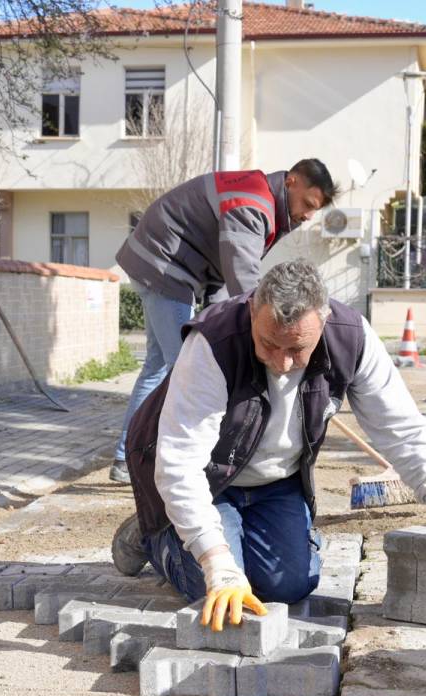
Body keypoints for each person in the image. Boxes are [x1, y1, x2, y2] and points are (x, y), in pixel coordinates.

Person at [114, 259, 426, 631]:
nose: (282, 363)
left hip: (275, 481)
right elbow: (180, 464)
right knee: (214, 586)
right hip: (206, 480)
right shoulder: (213, 342)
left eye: (297, 349)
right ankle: (156, 535)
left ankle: (206, 534)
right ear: (252, 310)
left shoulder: (351, 338)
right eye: (269, 344)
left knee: (289, 586)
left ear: (323, 321)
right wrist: (217, 563)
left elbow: (401, 428)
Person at [108, 159, 338, 484]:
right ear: (292, 182)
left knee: (158, 366)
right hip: (164, 265)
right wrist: (260, 328)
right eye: (308, 204)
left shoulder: (260, 197)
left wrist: (225, 323)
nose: (309, 215)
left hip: (167, 263)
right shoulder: (253, 204)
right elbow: (243, 279)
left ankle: (125, 458)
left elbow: (225, 275)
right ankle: (160, 461)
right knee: (186, 370)